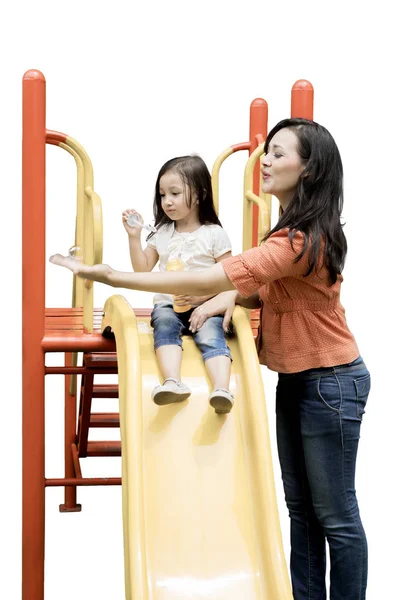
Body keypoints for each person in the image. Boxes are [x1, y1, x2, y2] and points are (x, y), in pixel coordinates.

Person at [50, 118, 370, 600]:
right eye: (266, 151)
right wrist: (231, 299)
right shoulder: (285, 232)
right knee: (302, 511)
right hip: (299, 380)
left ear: (309, 169)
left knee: (337, 517)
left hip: (331, 383)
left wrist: (114, 276)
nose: (265, 161)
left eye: (279, 154)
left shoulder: (300, 239)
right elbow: (258, 287)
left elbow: (212, 277)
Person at [121, 155, 234, 413]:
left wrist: (208, 301)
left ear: (199, 195)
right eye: (162, 195)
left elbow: (230, 276)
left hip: (204, 306)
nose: (167, 201)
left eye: (174, 193)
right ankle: (172, 382)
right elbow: (142, 270)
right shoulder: (161, 233)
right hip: (169, 305)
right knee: (164, 327)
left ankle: (221, 389)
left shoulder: (213, 233)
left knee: (211, 336)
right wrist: (134, 237)